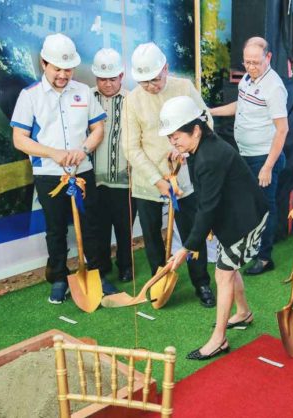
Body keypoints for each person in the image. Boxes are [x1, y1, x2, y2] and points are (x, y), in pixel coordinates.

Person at [11, 33, 115, 303]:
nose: (63, 74)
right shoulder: (29, 97)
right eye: (57, 68)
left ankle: (98, 274)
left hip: (82, 171)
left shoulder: (82, 91)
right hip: (49, 175)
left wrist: (83, 150)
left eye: (67, 69)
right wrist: (53, 153)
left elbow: (98, 129)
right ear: (43, 63)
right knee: (56, 229)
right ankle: (59, 278)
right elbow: (19, 139)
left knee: (91, 224)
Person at [162, 96, 268, 360]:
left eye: (177, 136)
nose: (174, 142)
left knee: (223, 274)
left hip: (246, 219)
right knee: (228, 267)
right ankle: (243, 312)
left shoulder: (209, 157)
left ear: (195, 129)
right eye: (170, 137)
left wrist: (186, 248)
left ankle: (219, 340)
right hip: (230, 215)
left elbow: (206, 208)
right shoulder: (200, 148)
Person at [122, 42, 215, 307]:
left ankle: (202, 282)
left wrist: (187, 152)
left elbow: (205, 121)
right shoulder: (133, 100)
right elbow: (130, 146)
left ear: (166, 68)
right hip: (148, 180)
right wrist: (158, 180)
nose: (150, 86)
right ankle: (158, 281)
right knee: (151, 235)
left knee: (192, 231)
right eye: (143, 82)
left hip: (184, 176)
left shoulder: (183, 88)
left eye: (154, 79)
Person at [210, 37, 288, 275]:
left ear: (269, 58)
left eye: (256, 62)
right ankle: (250, 248)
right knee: (249, 204)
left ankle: (264, 258)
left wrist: (267, 166)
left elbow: (283, 129)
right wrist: (210, 111)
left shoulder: (273, 87)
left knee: (266, 207)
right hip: (245, 154)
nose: (251, 67)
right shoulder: (248, 78)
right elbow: (240, 106)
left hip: (263, 157)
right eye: (247, 62)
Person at [90, 48, 136, 283]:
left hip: (125, 179)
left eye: (112, 78)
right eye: (102, 78)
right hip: (94, 179)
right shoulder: (86, 99)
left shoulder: (133, 101)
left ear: (121, 76)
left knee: (124, 227)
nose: (107, 84)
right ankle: (101, 265)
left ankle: (126, 266)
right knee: (98, 227)